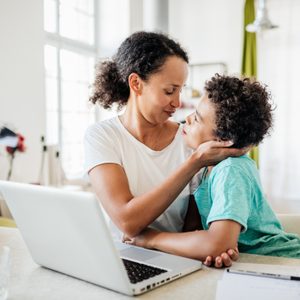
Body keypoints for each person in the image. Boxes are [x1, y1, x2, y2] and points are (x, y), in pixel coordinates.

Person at [84, 32, 247, 267]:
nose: (178, 103)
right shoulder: (102, 136)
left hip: (175, 260)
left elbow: (193, 225)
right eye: (170, 91)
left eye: (181, 90)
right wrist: (193, 164)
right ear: (136, 84)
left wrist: (210, 250)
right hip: (119, 259)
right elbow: (127, 222)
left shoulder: (190, 141)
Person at [124, 74, 300, 261]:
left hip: (284, 263)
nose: (188, 118)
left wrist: (151, 239)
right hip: (251, 264)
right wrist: (211, 246)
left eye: (198, 118)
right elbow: (205, 237)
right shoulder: (208, 168)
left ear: (224, 140)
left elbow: (217, 245)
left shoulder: (231, 170)